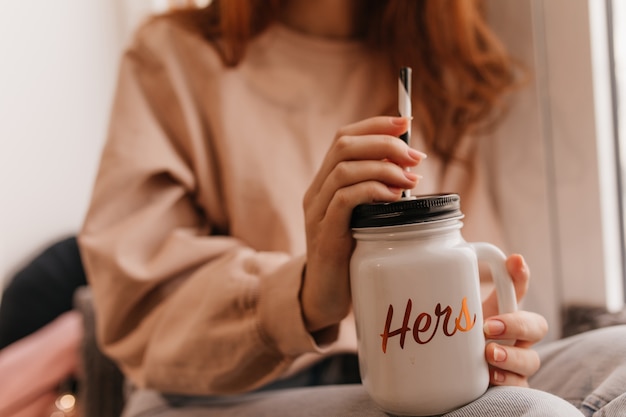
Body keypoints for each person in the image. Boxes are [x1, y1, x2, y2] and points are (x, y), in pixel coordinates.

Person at [78, 1, 626, 416]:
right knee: (526, 414)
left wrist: (486, 340)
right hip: (212, 393)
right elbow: (139, 309)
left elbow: (463, 274)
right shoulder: (172, 58)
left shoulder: (439, 59)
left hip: (406, 369)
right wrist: (304, 293)